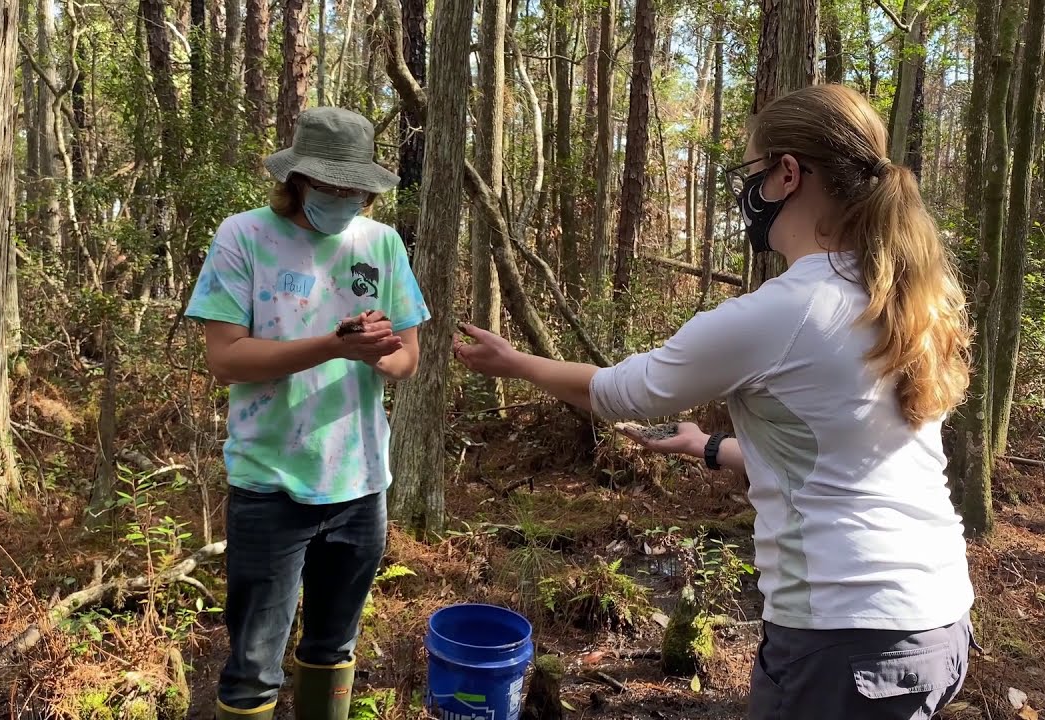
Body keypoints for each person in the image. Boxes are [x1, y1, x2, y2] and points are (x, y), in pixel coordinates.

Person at [453, 84, 976, 720]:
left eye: (753, 170)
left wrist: (513, 362)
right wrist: (707, 447)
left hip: (843, 639)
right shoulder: (901, 301)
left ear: (787, 174)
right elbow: (845, 460)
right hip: (937, 621)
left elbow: (615, 392)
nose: (745, 191)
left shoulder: (785, 312)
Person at [186, 107, 429, 720]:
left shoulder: (381, 243)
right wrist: (332, 345)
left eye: (356, 190)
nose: (345, 200)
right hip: (270, 483)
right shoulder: (244, 236)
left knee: (333, 646)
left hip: (360, 483)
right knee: (253, 667)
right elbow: (226, 358)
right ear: (298, 179)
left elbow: (407, 360)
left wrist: (376, 349)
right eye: (331, 186)